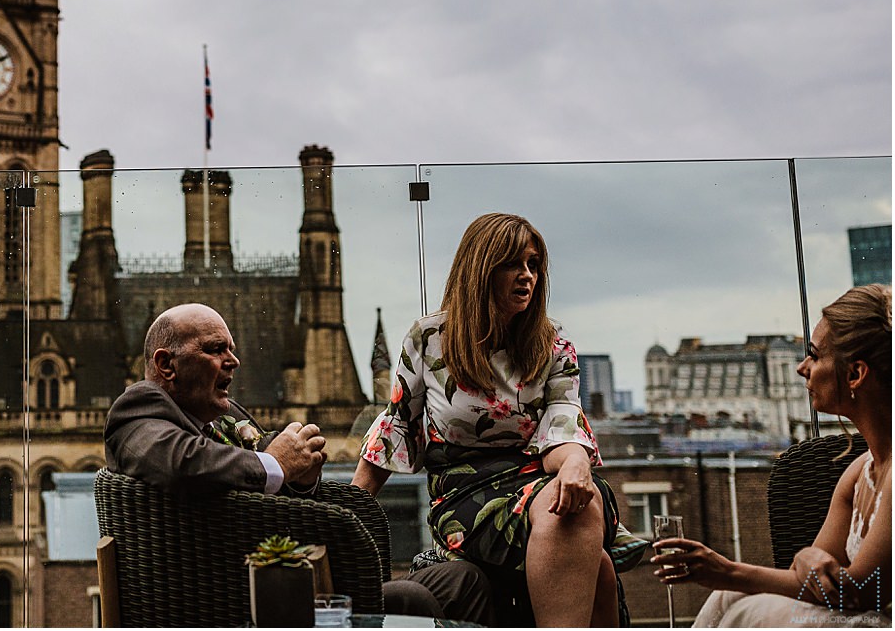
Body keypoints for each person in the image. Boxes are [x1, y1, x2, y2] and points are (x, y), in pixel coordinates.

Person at [105, 302, 492, 623]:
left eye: (231, 348)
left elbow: (273, 484)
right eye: (215, 349)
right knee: (413, 597)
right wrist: (274, 463)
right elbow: (180, 464)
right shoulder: (140, 408)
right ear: (166, 365)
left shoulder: (223, 412)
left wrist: (303, 477)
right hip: (243, 598)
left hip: (305, 575)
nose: (233, 361)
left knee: (464, 580)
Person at [353, 212, 626, 627]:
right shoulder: (430, 339)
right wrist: (346, 513)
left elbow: (564, 423)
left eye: (534, 265)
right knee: (594, 559)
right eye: (513, 264)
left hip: (539, 478)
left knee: (574, 502)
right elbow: (397, 427)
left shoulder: (555, 346)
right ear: (481, 269)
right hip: (466, 494)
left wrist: (575, 463)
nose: (527, 276)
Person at [651, 284, 891, 628]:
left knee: (751, 608)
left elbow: (861, 593)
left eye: (815, 355)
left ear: (855, 374)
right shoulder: (858, 472)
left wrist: (731, 570)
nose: (801, 367)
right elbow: (812, 582)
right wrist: (726, 577)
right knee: (728, 595)